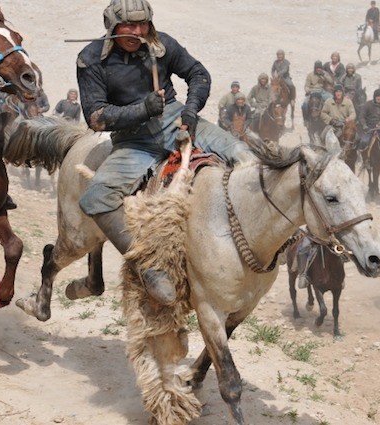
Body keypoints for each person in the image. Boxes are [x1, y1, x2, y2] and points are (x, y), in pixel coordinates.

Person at [76, 0, 253, 305]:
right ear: (112, 25)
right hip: (134, 141)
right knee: (96, 198)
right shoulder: (90, 59)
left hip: (178, 121)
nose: (137, 31)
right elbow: (96, 117)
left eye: (143, 24)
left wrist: (192, 111)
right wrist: (140, 109)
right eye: (129, 25)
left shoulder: (161, 45)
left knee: (244, 154)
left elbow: (198, 74)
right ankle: (149, 267)